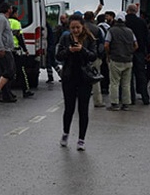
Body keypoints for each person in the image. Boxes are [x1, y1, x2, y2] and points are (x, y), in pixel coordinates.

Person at [55, 14, 97, 151]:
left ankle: (81, 139)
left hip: (84, 78)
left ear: (82, 26)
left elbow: (93, 56)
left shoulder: (89, 38)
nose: (75, 30)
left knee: (83, 109)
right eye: (72, 27)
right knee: (69, 108)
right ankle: (65, 133)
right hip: (69, 77)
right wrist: (69, 50)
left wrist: (82, 50)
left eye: (77, 27)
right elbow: (58, 55)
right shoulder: (65, 38)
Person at [105, 11, 138, 111]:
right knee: (126, 83)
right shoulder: (130, 31)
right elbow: (136, 45)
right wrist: (129, 52)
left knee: (114, 82)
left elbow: (106, 44)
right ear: (124, 20)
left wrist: (109, 54)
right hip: (128, 60)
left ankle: (115, 104)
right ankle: (126, 104)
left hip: (115, 59)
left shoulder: (111, 30)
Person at [0, 3, 17, 103]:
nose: (12, 9)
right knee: (9, 71)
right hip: (3, 49)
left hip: (6, 49)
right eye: (10, 8)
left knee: (8, 72)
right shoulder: (1, 19)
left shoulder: (3, 19)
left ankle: (6, 95)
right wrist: (1, 48)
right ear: (7, 10)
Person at [125, 4, 149, 105]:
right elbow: (147, 38)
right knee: (141, 75)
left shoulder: (124, 22)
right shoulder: (142, 22)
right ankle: (145, 97)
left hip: (126, 53)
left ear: (127, 11)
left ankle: (131, 98)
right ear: (136, 11)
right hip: (139, 52)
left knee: (128, 77)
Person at [10, 6, 34, 97]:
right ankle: (25, 90)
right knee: (21, 71)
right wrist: (25, 49)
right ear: (14, 13)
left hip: (6, 50)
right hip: (15, 50)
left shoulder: (5, 21)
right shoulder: (16, 23)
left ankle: (6, 91)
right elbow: (20, 37)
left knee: (8, 71)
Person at [83, 11, 106, 107]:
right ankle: (97, 101)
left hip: (82, 56)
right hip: (94, 56)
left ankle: (81, 98)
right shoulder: (97, 29)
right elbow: (101, 44)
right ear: (93, 18)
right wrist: (100, 56)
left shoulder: (80, 27)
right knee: (95, 79)